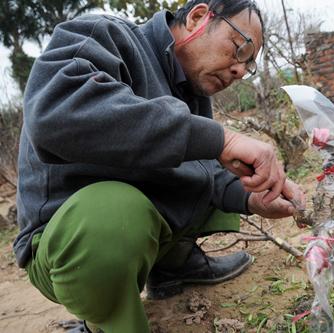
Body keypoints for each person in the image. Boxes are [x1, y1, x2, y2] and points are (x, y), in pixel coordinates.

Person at [14, 0, 305, 332]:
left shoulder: (192, 94)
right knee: (115, 210)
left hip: (132, 234)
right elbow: (54, 114)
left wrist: (253, 198)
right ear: (198, 17)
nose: (239, 70)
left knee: (189, 171)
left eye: (249, 65)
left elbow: (205, 172)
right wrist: (222, 140)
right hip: (65, 246)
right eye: (239, 49)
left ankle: (172, 266)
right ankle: (106, 317)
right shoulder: (105, 36)